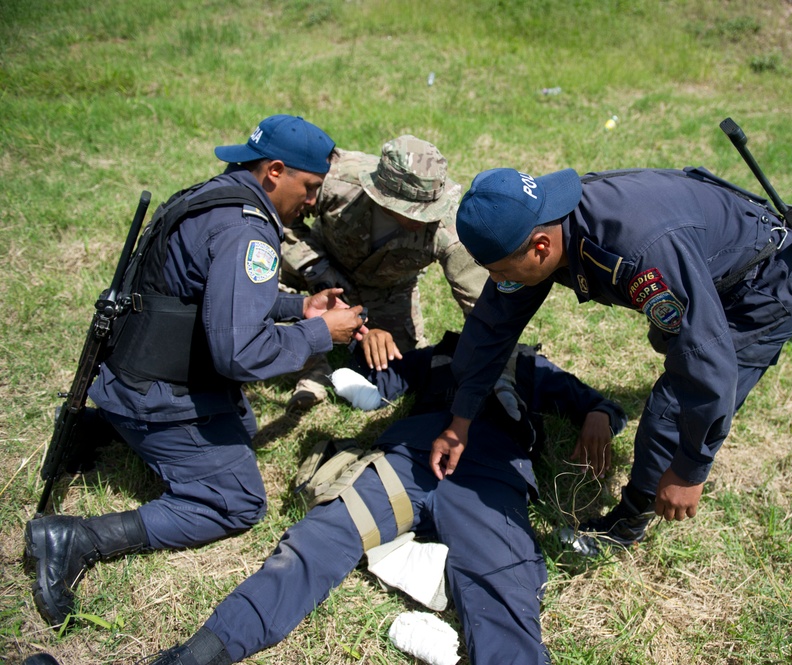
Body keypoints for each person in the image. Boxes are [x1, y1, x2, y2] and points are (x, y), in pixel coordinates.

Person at [23, 115, 369, 628]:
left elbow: (215, 297)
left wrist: (300, 311)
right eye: (311, 187)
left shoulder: (219, 195)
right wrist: (324, 335)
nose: (313, 202)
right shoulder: (248, 231)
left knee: (243, 432)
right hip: (155, 392)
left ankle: (105, 429)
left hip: (131, 374)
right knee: (237, 501)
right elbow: (240, 353)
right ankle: (76, 538)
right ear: (275, 170)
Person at [126, 332, 626, 665]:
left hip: (489, 477)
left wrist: (599, 415)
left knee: (504, 590)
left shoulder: (530, 364)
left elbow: (597, 403)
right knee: (315, 542)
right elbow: (373, 384)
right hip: (409, 459)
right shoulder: (439, 353)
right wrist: (363, 338)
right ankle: (200, 652)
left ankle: (427, 569)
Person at [430, 165, 792, 555]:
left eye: (498, 271)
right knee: (676, 336)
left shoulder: (641, 254)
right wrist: (461, 418)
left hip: (764, 283)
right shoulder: (541, 219)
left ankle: (628, 524)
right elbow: (494, 324)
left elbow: (705, 364)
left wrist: (689, 468)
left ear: (540, 247)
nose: (496, 281)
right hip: (705, 258)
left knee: (675, 405)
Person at [280, 135, 487, 413]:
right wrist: (315, 269)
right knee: (262, 293)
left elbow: (483, 310)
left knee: (400, 364)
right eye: (413, 211)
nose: (421, 219)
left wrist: (496, 376)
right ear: (384, 197)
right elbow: (284, 220)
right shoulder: (338, 181)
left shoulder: (449, 232)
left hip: (388, 289)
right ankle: (314, 369)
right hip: (320, 264)